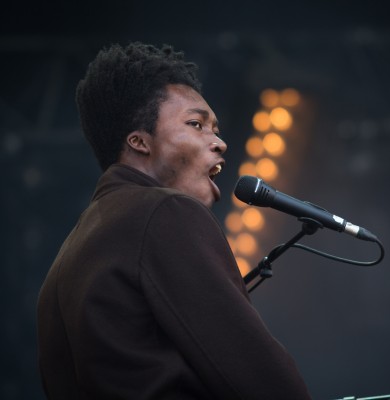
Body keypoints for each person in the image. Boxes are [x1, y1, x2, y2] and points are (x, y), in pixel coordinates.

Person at [37, 42, 311, 399]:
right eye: (196, 124)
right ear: (139, 142)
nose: (220, 143)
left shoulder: (65, 261)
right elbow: (260, 376)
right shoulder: (165, 212)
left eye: (215, 129)